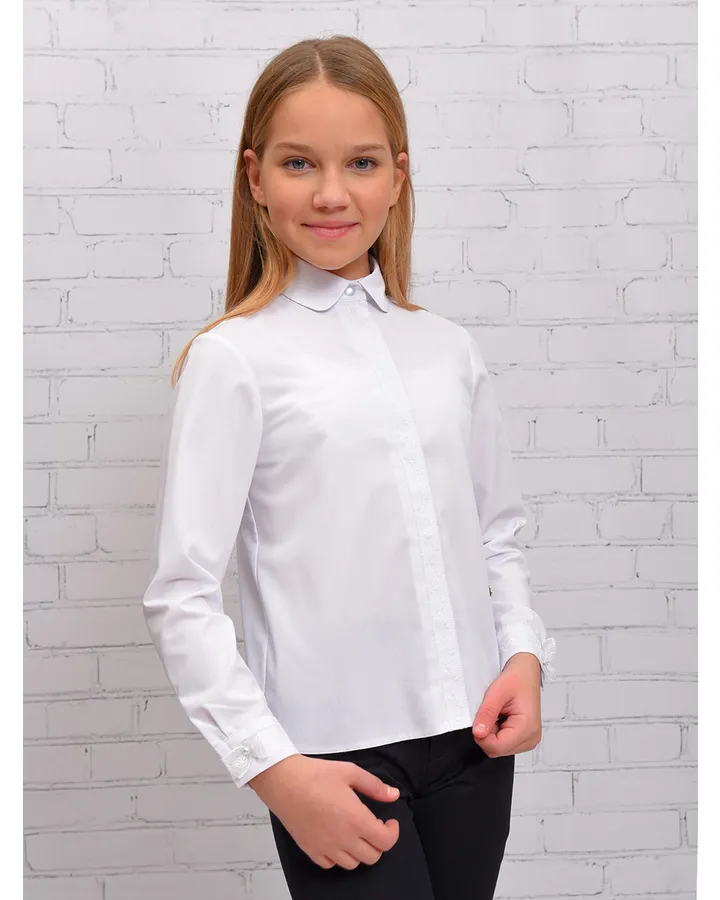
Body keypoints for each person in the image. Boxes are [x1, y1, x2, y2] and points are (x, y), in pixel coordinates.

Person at [141, 34, 556, 900]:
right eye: (299, 163)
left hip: (475, 743)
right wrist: (277, 771)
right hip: (335, 764)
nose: (332, 193)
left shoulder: (447, 350)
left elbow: (496, 536)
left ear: (398, 177)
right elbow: (183, 594)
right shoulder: (235, 359)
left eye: (361, 162)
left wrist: (523, 653)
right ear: (255, 178)